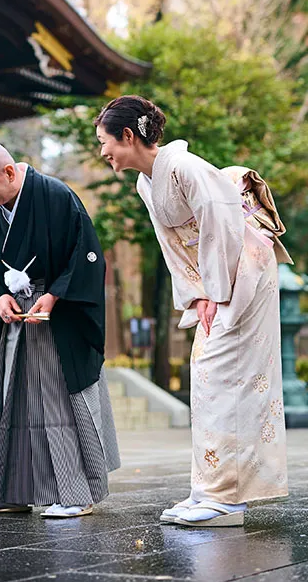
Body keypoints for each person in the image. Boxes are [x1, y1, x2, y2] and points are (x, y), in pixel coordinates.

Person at [95, 95, 290, 528]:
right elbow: (173, 247)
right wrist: (198, 295)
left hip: (246, 271)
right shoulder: (147, 182)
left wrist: (219, 293)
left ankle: (229, 500)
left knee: (227, 378)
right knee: (206, 376)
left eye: (105, 142)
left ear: (128, 136)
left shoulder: (185, 168)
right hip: (219, 280)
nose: (103, 152)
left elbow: (223, 225)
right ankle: (209, 489)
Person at [0, 127, 120, 519]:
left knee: (57, 401)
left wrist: (54, 295)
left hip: (56, 316)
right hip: (15, 321)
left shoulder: (55, 195)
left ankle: (75, 492)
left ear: (10, 173)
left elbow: (86, 255)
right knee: (9, 401)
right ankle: (8, 491)